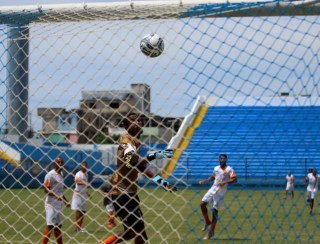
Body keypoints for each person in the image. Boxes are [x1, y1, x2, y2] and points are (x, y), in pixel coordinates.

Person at [100, 113, 177, 244]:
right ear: (126, 126)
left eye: (139, 120)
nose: (138, 122)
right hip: (123, 194)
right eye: (133, 120)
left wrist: (163, 182)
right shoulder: (126, 140)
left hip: (128, 193)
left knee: (137, 232)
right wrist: (157, 154)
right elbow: (131, 163)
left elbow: (141, 168)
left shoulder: (135, 142)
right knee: (136, 231)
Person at [199, 154, 237, 241]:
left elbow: (235, 179)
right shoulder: (216, 168)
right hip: (213, 189)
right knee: (202, 204)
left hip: (220, 192)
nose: (222, 160)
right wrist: (205, 181)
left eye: (224, 158)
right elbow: (213, 176)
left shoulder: (229, 169)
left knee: (214, 211)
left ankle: (211, 232)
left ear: (226, 160)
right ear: (218, 159)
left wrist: (225, 182)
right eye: (221, 158)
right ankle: (207, 222)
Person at [42, 156, 70, 244]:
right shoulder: (50, 174)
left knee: (58, 226)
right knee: (50, 226)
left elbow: (60, 192)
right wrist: (55, 196)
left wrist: (65, 201)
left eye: (62, 162)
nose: (61, 164)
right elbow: (46, 189)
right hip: (51, 204)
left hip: (59, 204)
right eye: (59, 162)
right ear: (55, 163)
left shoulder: (61, 174)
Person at [71, 161, 90, 233]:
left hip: (84, 194)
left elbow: (85, 186)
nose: (85, 167)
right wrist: (85, 183)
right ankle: (78, 229)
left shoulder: (86, 175)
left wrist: (88, 194)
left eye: (86, 166)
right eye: (83, 166)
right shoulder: (78, 174)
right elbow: (76, 181)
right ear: (81, 166)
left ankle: (79, 227)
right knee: (79, 211)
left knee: (83, 211)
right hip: (78, 194)